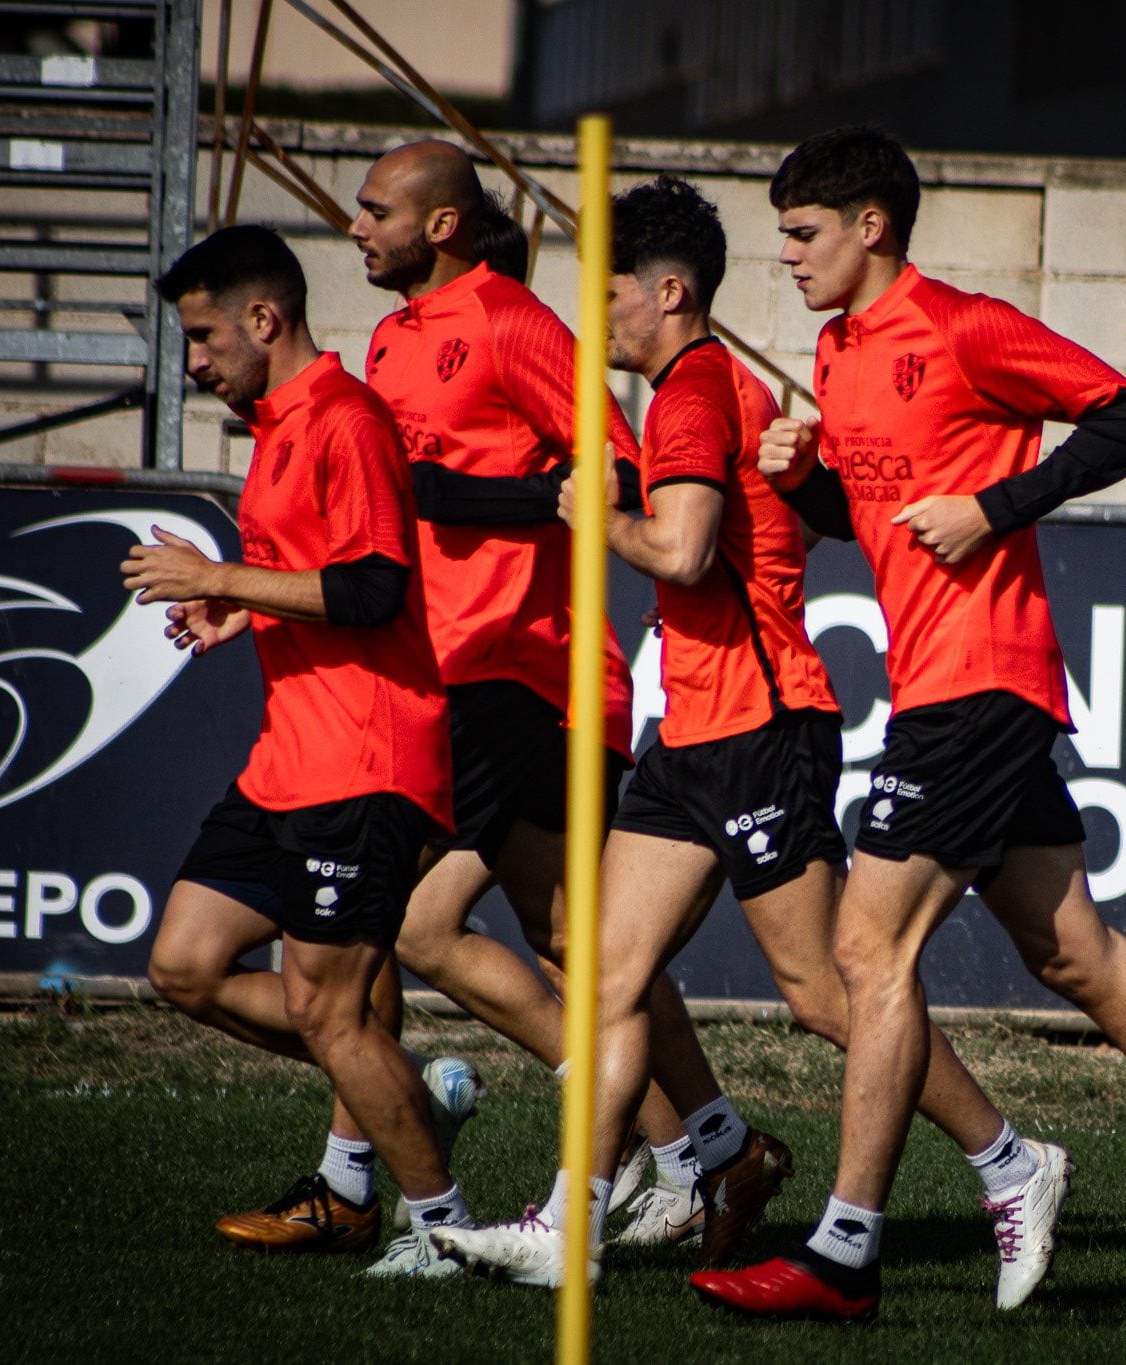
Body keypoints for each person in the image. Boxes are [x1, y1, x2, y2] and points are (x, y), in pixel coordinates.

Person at [689, 127, 1126, 1333]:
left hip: (980, 683)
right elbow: (861, 518)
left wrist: (994, 505)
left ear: (871, 225)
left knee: (865, 954)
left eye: (802, 231)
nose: (785, 255)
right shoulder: (833, 351)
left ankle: (843, 1251)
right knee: (1070, 951)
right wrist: (796, 480)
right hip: (944, 685)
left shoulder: (964, 326)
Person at [434, 175, 1071, 1306]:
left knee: (829, 996)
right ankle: (569, 1222)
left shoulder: (690, 393)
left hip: (765, 731)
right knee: (603, 973)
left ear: (668, 292)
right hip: (694, 735)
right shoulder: (697, 386)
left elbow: (680, 553)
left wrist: (598, 520)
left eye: (611, 293)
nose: (599, 319)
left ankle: (1009, 1161)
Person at [342, 140, 771, 1270]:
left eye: (374, 208)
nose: (355, 225)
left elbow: (609, 476)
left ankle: (393, 1196)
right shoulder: (389, 339)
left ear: (441, 225)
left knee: (401, 918)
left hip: (538, 677)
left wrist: (456, 494)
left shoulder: (516, 325)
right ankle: (699, 1147)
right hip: (442, 671)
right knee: (552, 940)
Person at [131, 224, 474, 1268]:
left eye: (201, 338)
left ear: (263, 320)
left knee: (333, 1012)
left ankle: (442, 1234)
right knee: (184, 966)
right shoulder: (279, 423)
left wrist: (220, 580)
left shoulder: (344, 417)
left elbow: (375, 589)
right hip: (289, 760)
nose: (193, 363)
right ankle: (404, 1095)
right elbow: (311, 573)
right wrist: (243, 609)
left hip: (367, 766)